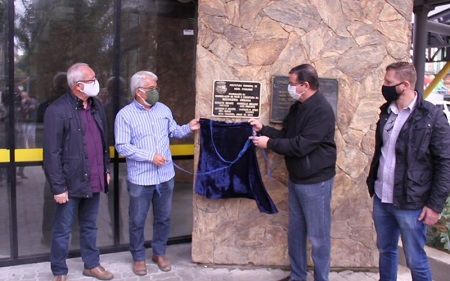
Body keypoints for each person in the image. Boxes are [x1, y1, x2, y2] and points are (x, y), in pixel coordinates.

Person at [249, 64, 336, 281]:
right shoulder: (298, 107)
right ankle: (298, 276)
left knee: (318, 236)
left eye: (292, 84)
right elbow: (286, 135)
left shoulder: (321, 110)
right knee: (296, 233)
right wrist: (263, 129)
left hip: (316, 182)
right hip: (297, 179)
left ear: (305, 85)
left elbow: (301, 145)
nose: (289, 87)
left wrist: (268, 143)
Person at [366, 62, 450, 281]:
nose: (384, 86)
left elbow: (445, 163)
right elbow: (384, 152)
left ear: (405, 85)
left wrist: (434, 205)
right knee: (386, 251)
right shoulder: (387, 112)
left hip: (412, 203)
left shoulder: (432, 117)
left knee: (415, 258)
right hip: (382, 198)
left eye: (388, 82)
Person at [114, 70, 199, 276]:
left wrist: (189, 127)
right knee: (137, 220)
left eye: (156, 88)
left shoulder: (163, 110)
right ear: (138, 92)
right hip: (141, 179)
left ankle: (159, 253)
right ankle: (139, 257)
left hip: (165, 177)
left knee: (163, 218)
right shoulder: (125, 115)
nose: (155, 92)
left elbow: (174, 131)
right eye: (151, 89)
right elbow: (122, 146)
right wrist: (150, 156)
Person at [43, 63, 114, 281]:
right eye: (93, 79)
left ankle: (91, 265)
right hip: (69, 182)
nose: (97, 82)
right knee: (63, 229)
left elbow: (103, 141)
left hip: (94, 177)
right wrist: (58, 187)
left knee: (90, 226)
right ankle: (59, 270)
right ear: (79, 85)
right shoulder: (57, 110)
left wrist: (106, 168)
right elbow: (51, 153)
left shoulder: (96, 106)